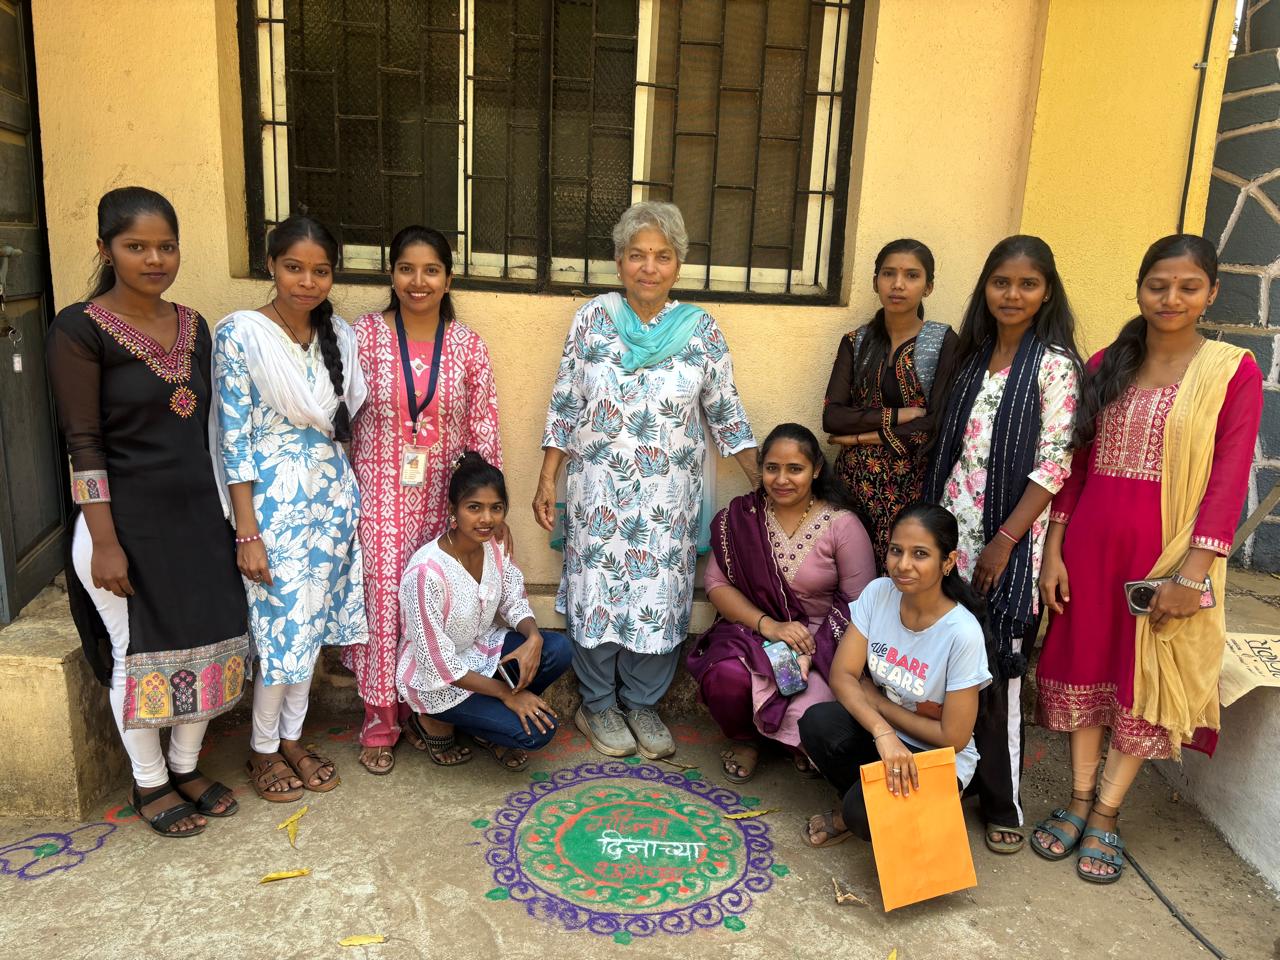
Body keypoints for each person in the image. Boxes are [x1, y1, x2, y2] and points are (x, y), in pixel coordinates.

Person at [1032, 235, 1262, 884]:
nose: (1171, 298)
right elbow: (1073, 468)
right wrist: (1054, 551)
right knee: (1088, 671)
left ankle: (1106, 813)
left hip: (1167, 558)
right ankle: (1077, 800)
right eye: (1158, 285)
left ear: (1211, 293)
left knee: (1142, 683)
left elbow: (1229, 473)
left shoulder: (1231, 370)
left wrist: (1192, 575)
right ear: (1140, 288)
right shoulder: (1110, 360)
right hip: (1090, 549)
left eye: (1188, 287)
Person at [46, 187, 249, 837]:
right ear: (105, 249)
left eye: (166, 246)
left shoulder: (195, 326)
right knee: (141, 655)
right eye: (137, 247)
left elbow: (211, 431)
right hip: (123, 526)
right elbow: (83, 445)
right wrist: (104, 541)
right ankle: (149, 782)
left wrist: (231, 522)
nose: (155, 259)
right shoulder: (78, 329)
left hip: (197, 520)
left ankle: (186, 766)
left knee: (212, 643)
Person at [533, 201, 758, 761]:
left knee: (660, 595)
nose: (648, 267)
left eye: (662, 256)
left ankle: (643, 703)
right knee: (599, 592)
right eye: (637, 255)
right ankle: (597, 703)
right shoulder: (592, 319)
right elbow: (567, 400)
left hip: (668, 499)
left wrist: (770, 485)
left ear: (678, 266)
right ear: (619, 262)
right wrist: (546, 479)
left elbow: (725, 412)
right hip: (598, 493)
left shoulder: (701, 329)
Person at [922, 235, 1082, 855]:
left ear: (1047, 292)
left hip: (1008, 548)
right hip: (951, 540)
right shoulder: (971, 357)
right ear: (985, 288)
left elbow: (1053, 465)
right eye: (1001, 283)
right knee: (941, 669)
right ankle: (942, 784)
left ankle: (1000, 799)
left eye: (1027, 284)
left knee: (998, 677)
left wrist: (1005, 542)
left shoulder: (1054, 366)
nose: (1012, 295)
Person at [214, 215, 369, 802]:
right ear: (271, 266)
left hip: (329, 502)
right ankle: (261, 749)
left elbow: (341, 429)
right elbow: (234, 437)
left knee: (308, 632)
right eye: (293, 268)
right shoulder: (243, 335)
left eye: (320, 270)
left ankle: (293, 738)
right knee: (281, 631)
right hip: (272, 509)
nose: (307, 281)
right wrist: (246, 530)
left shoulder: (341, 337)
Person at [344, 226, 503, 774]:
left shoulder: (466, 344)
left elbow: (483, 427)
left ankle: (432, 709)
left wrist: (489, 510)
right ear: (391, 274)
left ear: (448, 278)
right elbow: (337, 413)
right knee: (385, 602)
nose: (419, 281)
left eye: (431, 270)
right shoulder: (361, 336)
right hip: (379, 493)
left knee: (441, 603)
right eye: (407, 269)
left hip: (445, 499)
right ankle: (380, 716)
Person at [687, 423, 876, 782]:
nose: (782, 479)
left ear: (816, 470)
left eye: (795, 469)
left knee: (811, 711)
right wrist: (769, 625)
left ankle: (794, 744)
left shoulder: (841, 525)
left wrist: (810, 650)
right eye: (772, 468)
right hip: (753, 631)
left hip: (821, 640)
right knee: (725, 675)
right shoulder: (742, 518)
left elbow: (859, 602)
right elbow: (715, 581)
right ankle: (747, 739)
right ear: (761, 468)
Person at [799, 503, 991, 846]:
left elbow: (953, 737)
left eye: (920, 554)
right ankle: (887, 802)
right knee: (817, 723)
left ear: (948, 562)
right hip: (886, 738)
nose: (903, 565)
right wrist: (882, 732)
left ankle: (875, 809)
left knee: (859, 814)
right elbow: (843, 675)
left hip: (937, 755)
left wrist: (879, 706)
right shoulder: (879, 593)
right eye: (896, 551)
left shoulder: (962, 633)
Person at [398, 453, 571, 770]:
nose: (486, 519)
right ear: (454, 510)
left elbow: (513, 600)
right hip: (440, 682)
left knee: (556, 648)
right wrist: (508, 695)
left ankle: (488, 720)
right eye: (474, 507)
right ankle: (433, 719)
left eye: (496, 508)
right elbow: (439, 666)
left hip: (482, 653)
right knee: (534, 735)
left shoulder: (494, 545)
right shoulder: (426, 574)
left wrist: (532, 637)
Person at [824, 239, 959, 571]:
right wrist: (898, 414)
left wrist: (862, 437)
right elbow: (833, 417)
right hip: (853, 486)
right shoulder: (856, 343)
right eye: (889, 274)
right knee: (850, 574)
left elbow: (937, 421)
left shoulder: (942, 342)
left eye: (912, 276)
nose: (898, 284)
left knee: (903, 574)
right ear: (875, 282)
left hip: (913, 485)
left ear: (928, 287)